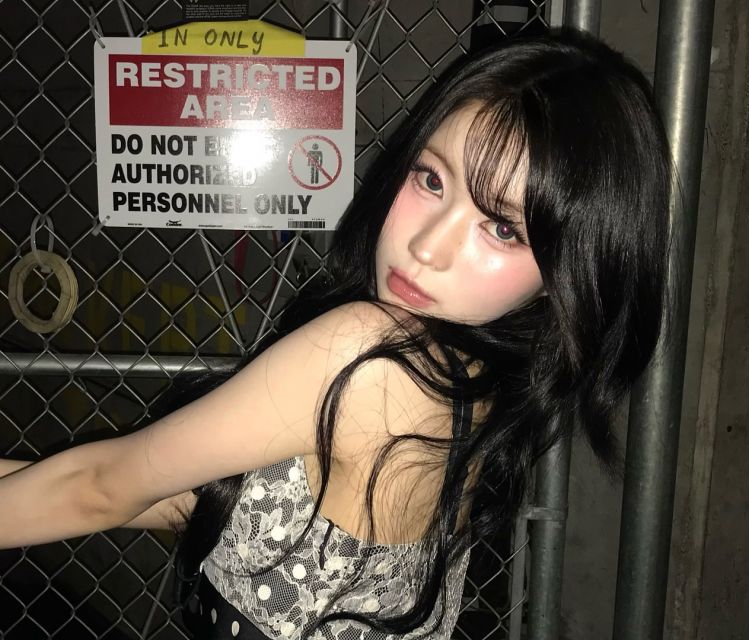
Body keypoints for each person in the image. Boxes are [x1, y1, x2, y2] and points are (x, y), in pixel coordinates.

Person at [0, 28, 671, 640]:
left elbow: (102, 486)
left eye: (501, 228)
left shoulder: (374, 357)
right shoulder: (474, 379)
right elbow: (211, 500)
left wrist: (108, 487)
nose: (427, 246)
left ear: (567, 272)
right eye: (431, 179)